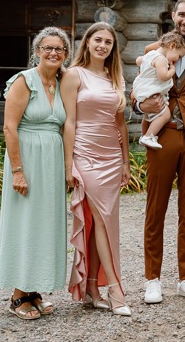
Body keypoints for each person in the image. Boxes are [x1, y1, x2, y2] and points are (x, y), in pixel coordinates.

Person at [131, 0, 185, 304]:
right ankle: (152, 279)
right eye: (181, 14)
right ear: (173, 15)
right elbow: (136, 90)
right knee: (155, 209)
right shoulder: (152, 50)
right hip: (161, 135)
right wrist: (140, 104)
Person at [0, 27, 70, 320]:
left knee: (45, 224)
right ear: (37, 51)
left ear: (65, 54)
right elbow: (9, 127)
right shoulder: (24, 81)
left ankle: (34, 290)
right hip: (26, 158)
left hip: (51, 160)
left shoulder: (62, 82)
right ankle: (17, 295)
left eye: (59, 49)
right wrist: (17, 171)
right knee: (24, 223)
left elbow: (66, 125)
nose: (53, 53)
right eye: (48, 48)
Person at [62, 22, 132, 316]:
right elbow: (70, 122)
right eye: (98, 40)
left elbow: (120, 124)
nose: (103, 45)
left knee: (101, 224)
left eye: (108, 42)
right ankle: (115, 289)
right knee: (102, 222)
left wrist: (126, 161)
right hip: (86, 155)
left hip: (112, 158)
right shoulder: (74, 75)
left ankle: (92, 287)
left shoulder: (114, 77)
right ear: (87, 43)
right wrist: (70, 165)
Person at [132, 32, 185, 149]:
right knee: (165, 114)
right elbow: (163, 76)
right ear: (172, 46)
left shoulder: (151, 54)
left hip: (141, 88)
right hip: (151, 90)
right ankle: (148, 136)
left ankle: (144, 134)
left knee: (148, 115)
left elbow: (138, 60)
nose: (177, 60)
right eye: (179, 56)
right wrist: (171, 70)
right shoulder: (161, 59)